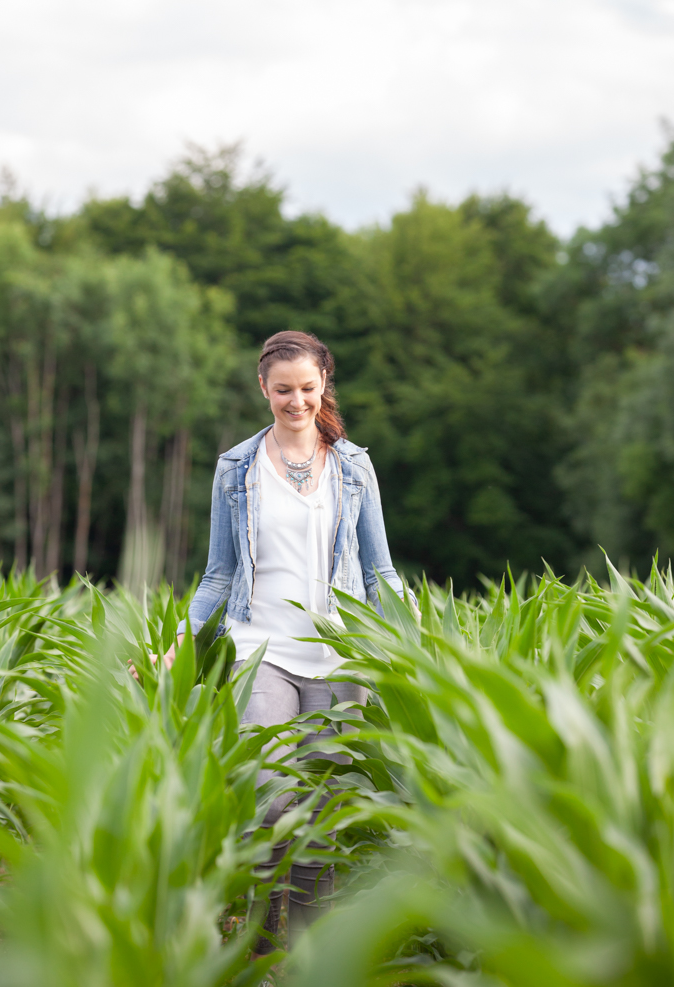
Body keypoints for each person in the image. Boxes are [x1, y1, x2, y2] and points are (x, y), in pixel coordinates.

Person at [187, 329, 404, 953]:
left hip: (340, 658)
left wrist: (411, 644)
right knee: (271, 799)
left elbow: (379, 572)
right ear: (263, 388)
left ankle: (311, 954)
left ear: (323, 387)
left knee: (324, 806)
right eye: (283, 390)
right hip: (264, 650)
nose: (296, 402)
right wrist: (183, 639)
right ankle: (257, 941)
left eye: (308, 389)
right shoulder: (237, 468)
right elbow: (219, 573)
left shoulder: (353, 468)